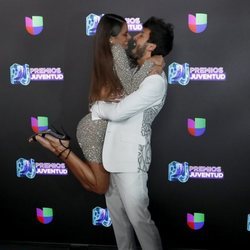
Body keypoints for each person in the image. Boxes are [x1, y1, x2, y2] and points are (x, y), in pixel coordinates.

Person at [29, 13, 163, 194]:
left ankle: (61, 147)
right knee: (100, 187)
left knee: (93, 184)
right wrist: (151, 63)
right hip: (95, 130)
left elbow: (125, 83)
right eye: (125, 34)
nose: (130, 38)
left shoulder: (112, 53)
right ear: (111, 39)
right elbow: (132, 87)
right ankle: (60, 148)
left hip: (100, 128)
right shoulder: (117, 52)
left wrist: (149, 62)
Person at [90, 16, 174, 250]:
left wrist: (96, 108)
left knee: (140, 222)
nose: (134, 38)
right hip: (111, 157)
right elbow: (112, 45)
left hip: (131, 162)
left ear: (151, 46)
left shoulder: (155, 82)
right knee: (120, 225)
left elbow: (119, 112)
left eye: (140, 35)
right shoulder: (136, 67)